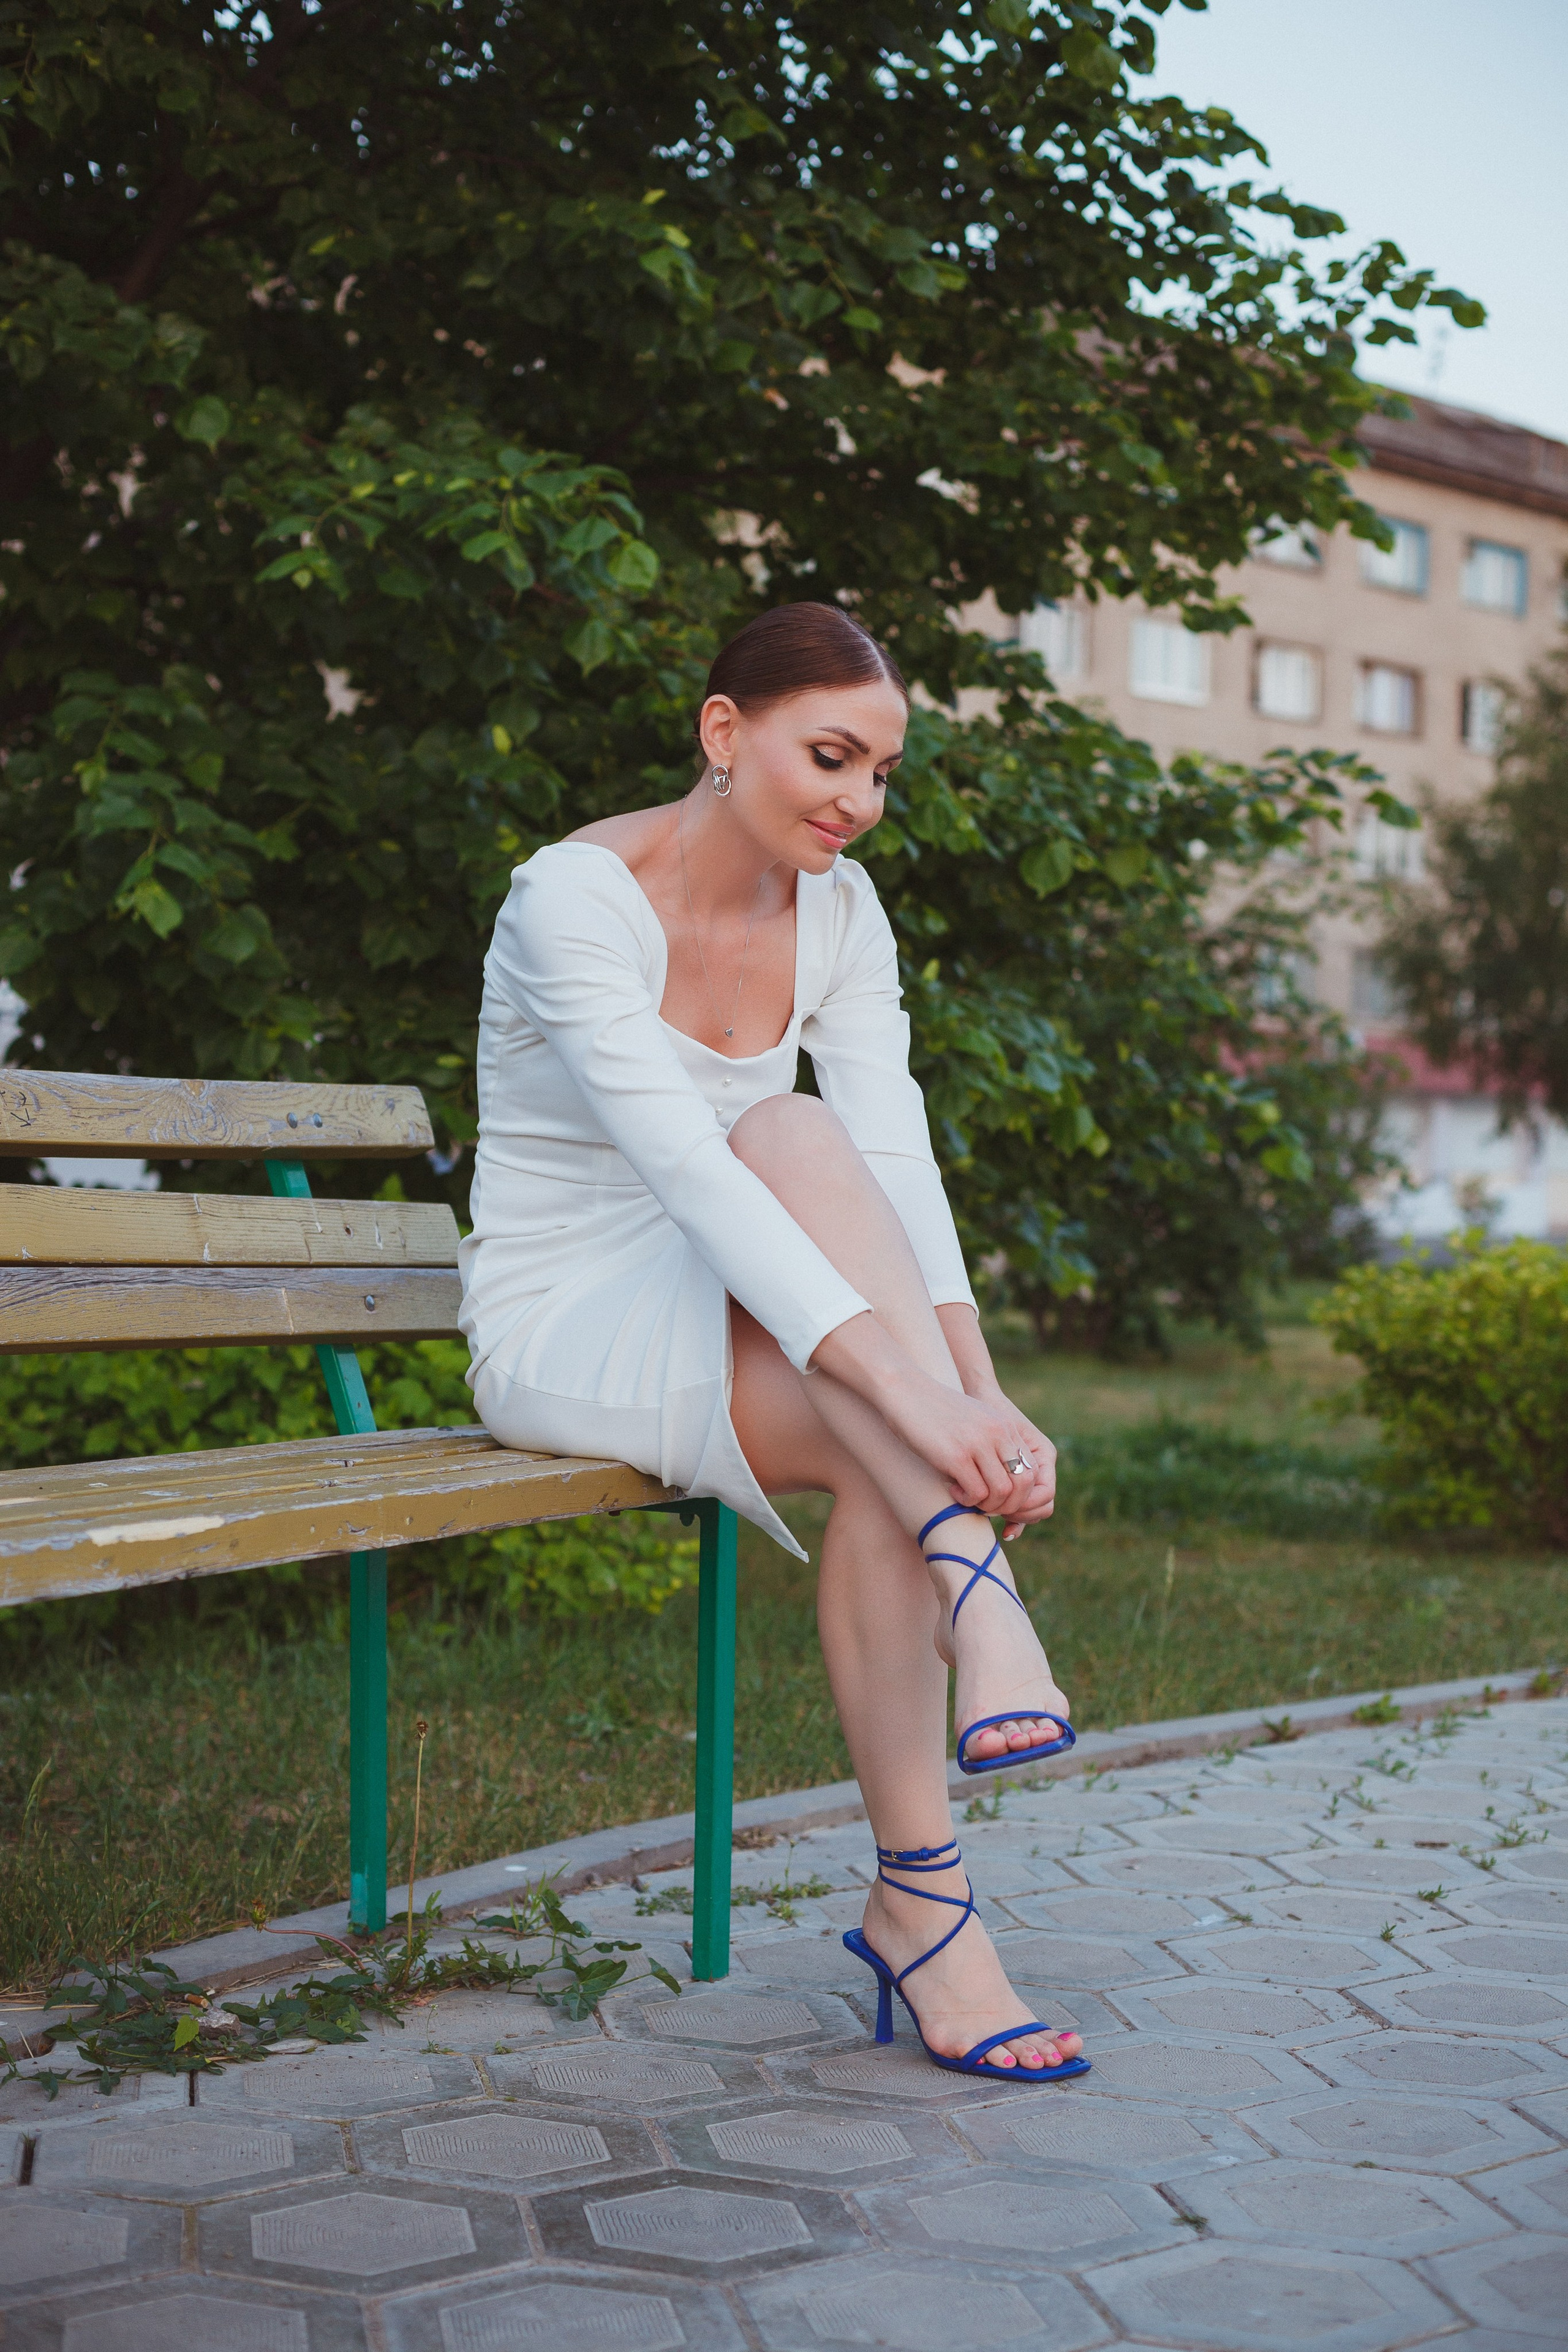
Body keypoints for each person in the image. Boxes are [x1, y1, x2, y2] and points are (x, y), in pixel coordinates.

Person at [460, 602, 1085, 2081]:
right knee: (783, 1137)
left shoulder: (842, 914)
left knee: (874, 1403)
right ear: (723, 732)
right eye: (830, 756)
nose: (858, 801)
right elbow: (689, 1174)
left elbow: (897, 1172)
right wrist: (927, 1408)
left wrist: (979, 1397)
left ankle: (923, 1907)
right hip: (571, 1316)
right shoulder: (572, 900)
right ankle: (983, 1599)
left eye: (881, 773)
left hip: (748, 1289)